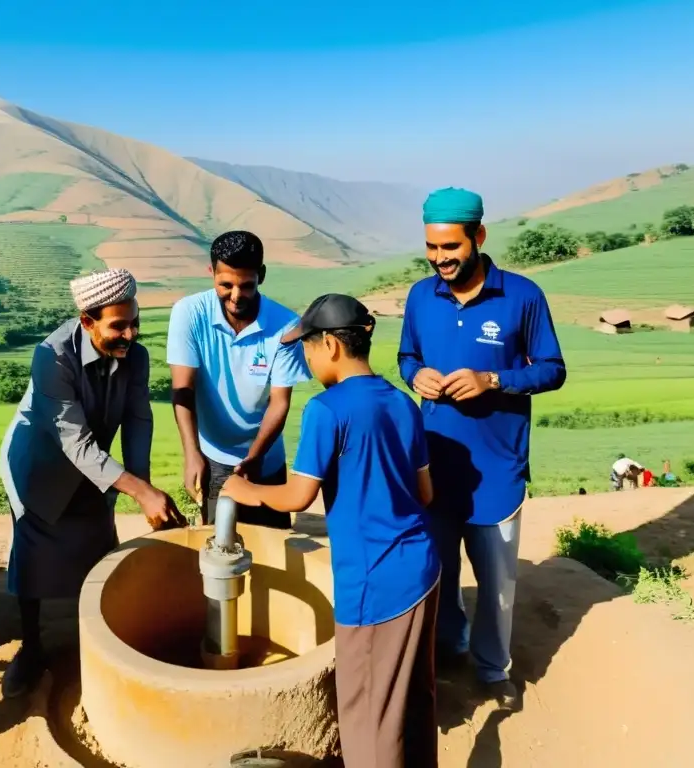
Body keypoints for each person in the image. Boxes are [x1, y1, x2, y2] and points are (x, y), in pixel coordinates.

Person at [221, 294, 439, 768]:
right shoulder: (403, 403)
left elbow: (298, 496)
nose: (305, 358)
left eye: (308, 348)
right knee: (413, 701)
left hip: (374, 581)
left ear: (332, 347)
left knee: (369, 713)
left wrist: (246, 490)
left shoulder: (327, 410)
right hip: (422, 568)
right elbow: (424, 493)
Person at [397, 187, 566, 709]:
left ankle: (493, 670)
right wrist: (416, 375)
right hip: (435, 465)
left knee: (497, 584)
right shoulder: (421, 297)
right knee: (439, 571)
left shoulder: (522, 296)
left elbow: (552, 370)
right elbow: (406, 356)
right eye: (432, 247)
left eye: (451, 247)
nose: (441, 259)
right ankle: (450, 648)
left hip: (498, 468)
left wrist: (493, 379)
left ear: (479, 237)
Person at [0, 268, 186, 698]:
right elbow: (74, 441)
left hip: (96, 465)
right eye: (118, 325)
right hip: (39, 466)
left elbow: (138, 418)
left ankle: (98, 641)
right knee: (33, 558)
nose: (130, 334)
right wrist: (138, 490)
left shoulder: (134, 356)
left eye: (135, 322)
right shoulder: (53, 355)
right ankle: (31, 648)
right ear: (87, 321)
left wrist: (145, 486)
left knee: (97, 548)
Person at [166, 230, 311, 528]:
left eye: (246, 285)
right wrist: (192, 453)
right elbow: (183, 389)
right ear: (212, 273)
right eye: (226, 284)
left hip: (265, 460)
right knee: (218, 552)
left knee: (270, 550)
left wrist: (255, 459)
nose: (235, 296)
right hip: (212, 456)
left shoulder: (286, 325)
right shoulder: (189, 313)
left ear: (262, 275)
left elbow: (279, 403)